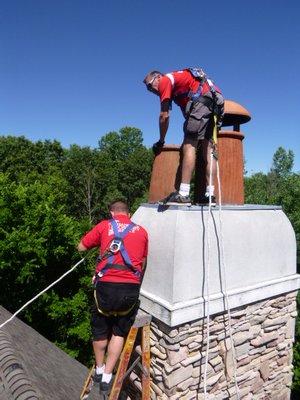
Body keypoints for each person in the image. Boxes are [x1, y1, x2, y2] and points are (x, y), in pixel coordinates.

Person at [77, 200, 148, 395]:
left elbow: (81, 247)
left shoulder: (104, 226)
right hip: (129, 289)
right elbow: (142, 262)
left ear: (111, 213)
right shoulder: (141, 231)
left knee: (100, 328)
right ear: (129, 213)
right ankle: (108, 376)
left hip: (106, 287)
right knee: (118, 331)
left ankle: (99, 370)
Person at [143, 67, 224, 205]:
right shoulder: (179, 86)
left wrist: (161, 141)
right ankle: (210, 196)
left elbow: (164, 115)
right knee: (208, 150)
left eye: (150, 86)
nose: (151, 90)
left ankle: (184, 194)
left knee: (189, 145)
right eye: (148, 89)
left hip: (202, 100)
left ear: (158, 77)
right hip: (216, 100)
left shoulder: (165, 81)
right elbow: (187, 113)